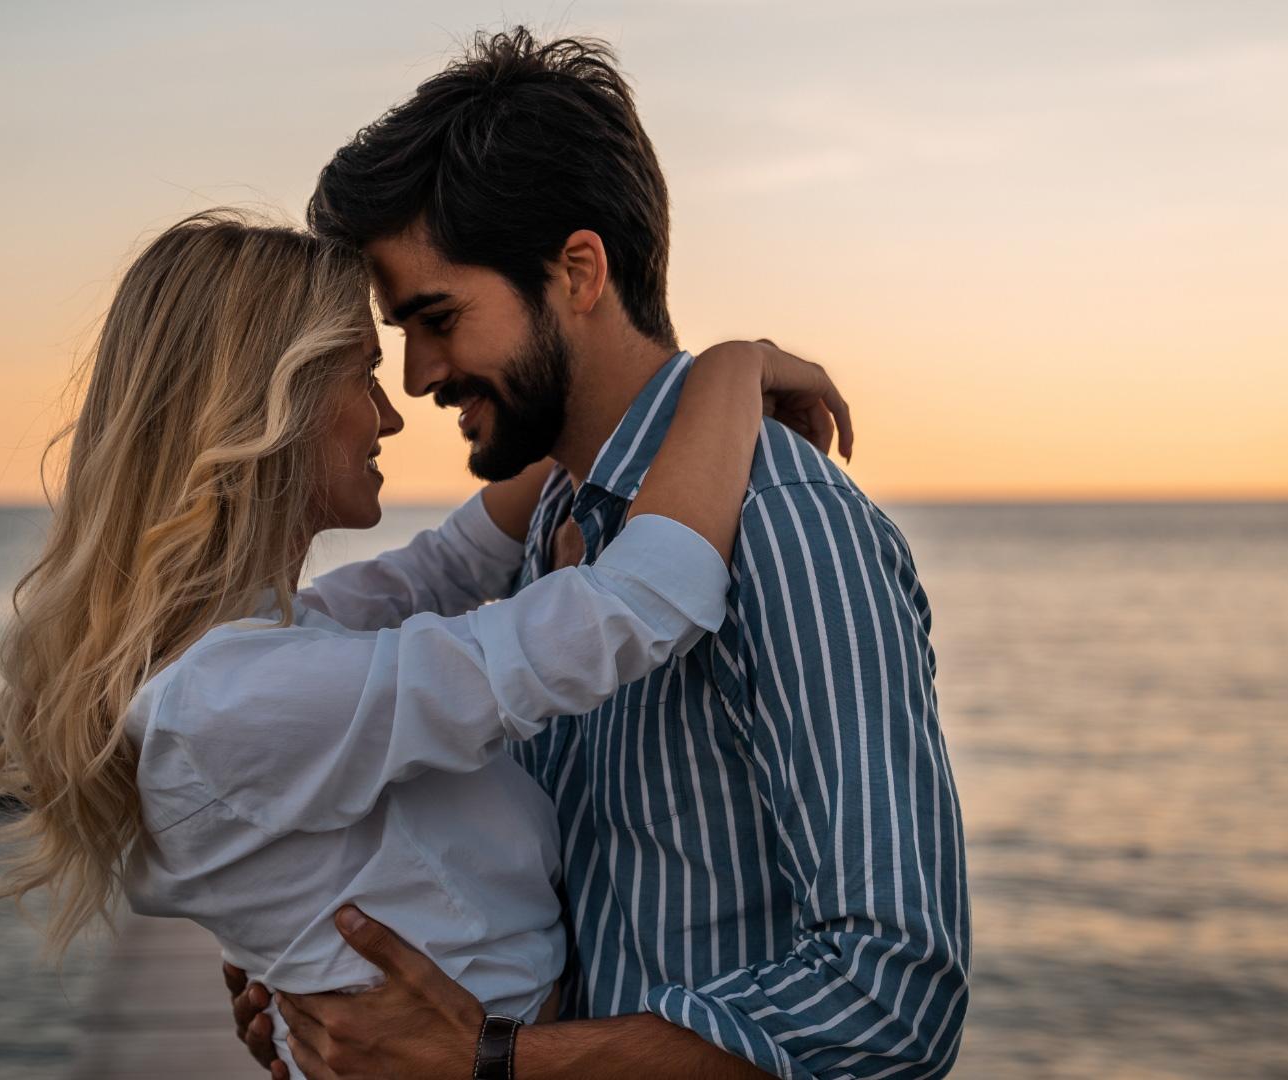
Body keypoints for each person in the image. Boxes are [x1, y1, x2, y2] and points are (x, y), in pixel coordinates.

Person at [233, 28, 970, 1080]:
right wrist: (338, 1001)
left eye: (438, 317)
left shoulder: (790, 526)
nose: (420, 372)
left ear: (579, 271)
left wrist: (494, 1062)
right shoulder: (552, 523)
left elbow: (893, 996)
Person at [0, 210, 851, 1080]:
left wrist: (610, 415)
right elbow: (641, 603)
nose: (392, 416)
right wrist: (733, 371)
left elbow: (448, 563)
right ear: (274, 402)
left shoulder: (247, 654)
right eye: (364, 374)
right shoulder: (240, 699)